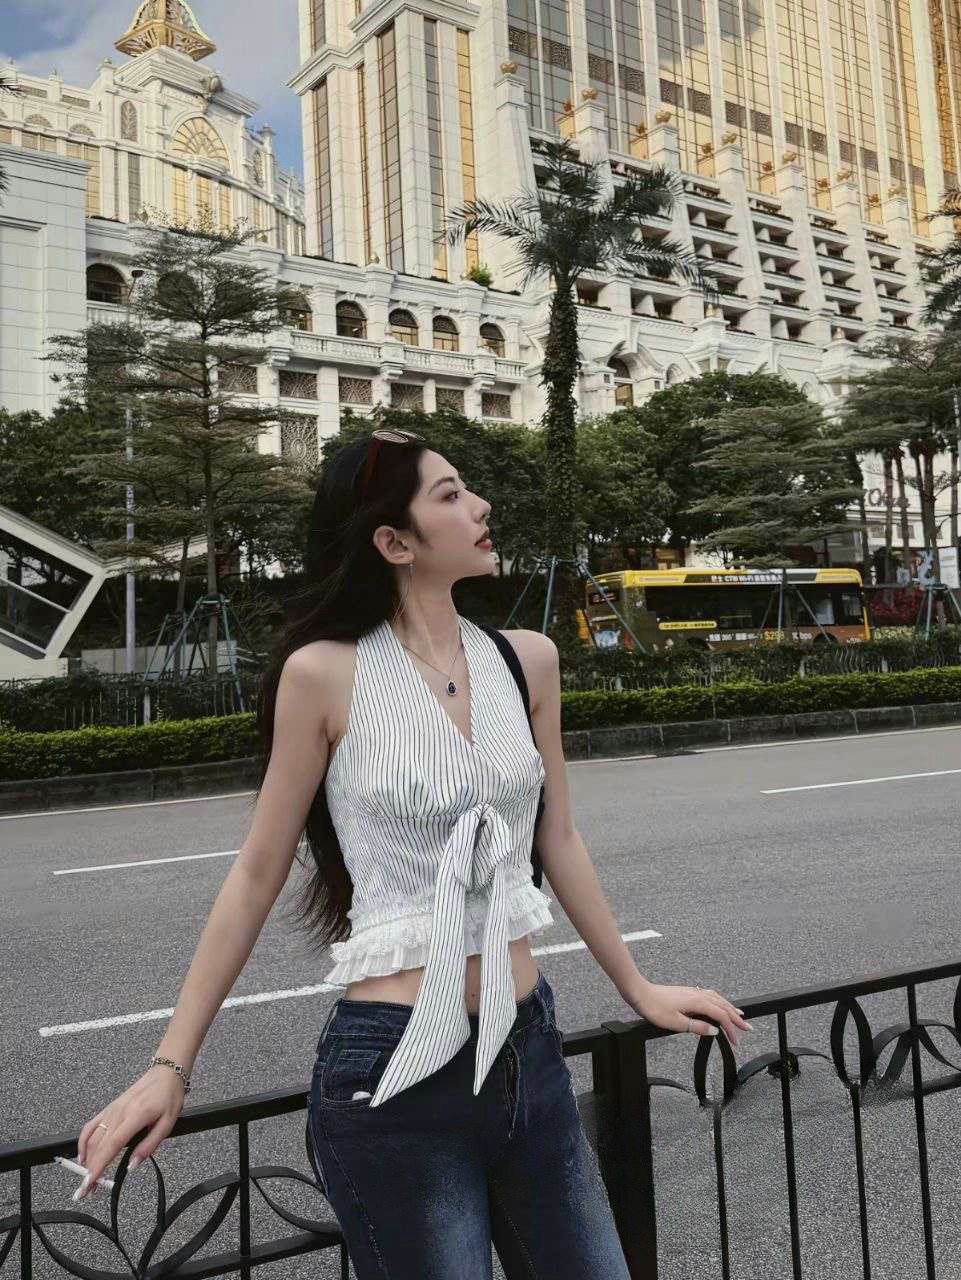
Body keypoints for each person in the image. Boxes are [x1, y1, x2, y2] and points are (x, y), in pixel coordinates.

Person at [74, 428, 751, 1277]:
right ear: (394, 543)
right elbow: (257, 872)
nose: (481, 506)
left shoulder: (526, 660)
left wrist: (636, 986)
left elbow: (557, 837)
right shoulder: (323, 674)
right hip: (392, 1071)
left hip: (526, 1053)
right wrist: (170, 1066)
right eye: (450, 495)